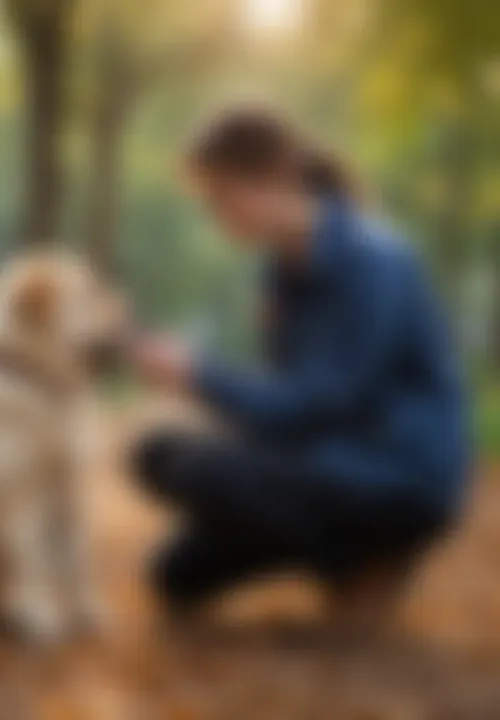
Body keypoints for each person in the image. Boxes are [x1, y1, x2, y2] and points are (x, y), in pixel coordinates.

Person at [129, 104, 470, 632]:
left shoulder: (374, 261)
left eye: (223, 196)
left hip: (394, 475)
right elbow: (283, 405)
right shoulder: (279, 271)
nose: (217, 214)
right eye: (209, 202)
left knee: (198, 468)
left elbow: (321, 403)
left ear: (276, 176)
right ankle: (339, 554)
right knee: (172, 563)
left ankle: (374, 553)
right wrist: (205, 388)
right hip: (323, 462)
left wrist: (201, 375)